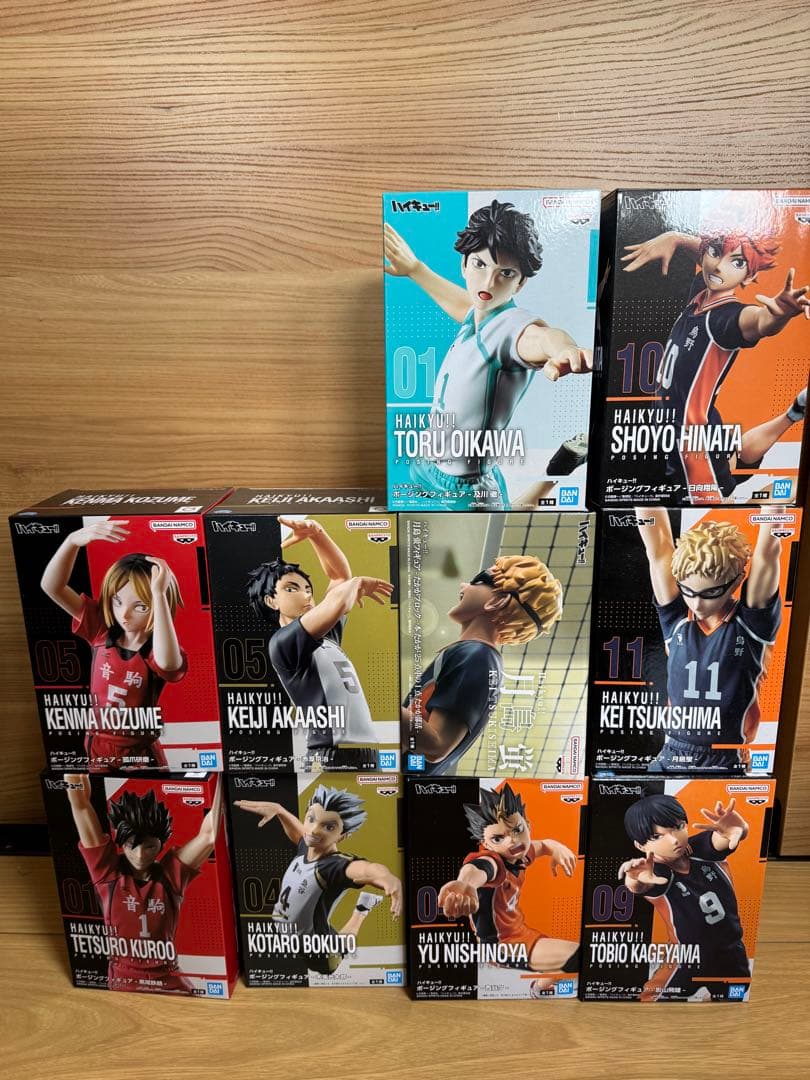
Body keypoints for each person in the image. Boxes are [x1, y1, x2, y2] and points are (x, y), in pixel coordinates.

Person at [384, 200, 593, 509]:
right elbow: (462, 304)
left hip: (466, 484)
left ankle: (558, 468)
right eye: (479, 265)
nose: (488, 283)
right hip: (427, 462)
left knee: (504, 533)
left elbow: (540, 338)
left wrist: (564, 349)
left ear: (520, 283)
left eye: (505, 273)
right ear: (464, 265)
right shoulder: (478, 315)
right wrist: (416, 269)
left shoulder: (511, 327)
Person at [622, 229, 809, 502]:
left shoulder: (725, 318)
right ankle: (794, 412)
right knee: (736, 460)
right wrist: (676, 237)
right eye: (715, 253)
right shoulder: (700, 294)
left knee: (719, 513)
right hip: (688, 424)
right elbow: (706, 251)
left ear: (749, 276)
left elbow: (758, 322)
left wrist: (778, 316)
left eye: (737, 262)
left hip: (694, 445)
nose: (719, 266)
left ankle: (786, 492)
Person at [635, 508, 782, 772]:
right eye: (687, 591)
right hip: (672, 753)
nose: (697, 603)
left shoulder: (751, 624)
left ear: (736, 582)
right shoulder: (677, 619)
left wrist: (781, 494)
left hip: (726, 758)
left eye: (710, 593)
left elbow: (768, 552)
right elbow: (657, 547)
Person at [248, 516, 393, 769]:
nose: (306, 595)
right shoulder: (283, 642)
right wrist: (357, 583)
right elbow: (342, 595)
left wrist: (317, 534)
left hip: (364, 750)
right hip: (329, 753)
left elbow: (340, 578)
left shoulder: (327, 636)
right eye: (291, 589)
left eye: (308, 589)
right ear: (271, 601)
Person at [41, 517, 185, 770]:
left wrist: (159, 594)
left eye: (140, 606)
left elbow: (169, 663)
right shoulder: (101, 629)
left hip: (140, 752)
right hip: (98, 745)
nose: (124, 614)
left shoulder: (158, 648)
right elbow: (52, 587)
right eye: (117, 601)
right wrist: (72, 541)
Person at [402, 555, 562, 775]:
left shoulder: (476, 656)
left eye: (478, 580)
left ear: (497, 601)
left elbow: (437, 744)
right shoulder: (476, 655)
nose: (463, 586)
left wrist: (379, 707)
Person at [64, 773, 222, 994]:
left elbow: (210, 835)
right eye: (131, 845)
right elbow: (80, 804)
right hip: (124, 980)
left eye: (149, 847)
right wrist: (71, 766)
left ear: (161, 844)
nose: (139, 855)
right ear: (121, 842)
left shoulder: (170, 875)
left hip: (170, 981)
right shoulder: (107, 872)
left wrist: (220, 773)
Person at [234, 784, 402, 975]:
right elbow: (300, 834)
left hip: (317, 949)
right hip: (295, 933)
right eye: (311, 819)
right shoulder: (307, 848)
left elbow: (365, 869)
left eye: (329, 827)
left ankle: (362, 909)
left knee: (338, 951)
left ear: (342, 836)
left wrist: (387, 877)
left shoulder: (333, 866)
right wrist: (280, 810)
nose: (314, 830)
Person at [438, 782, 579, 995]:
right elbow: (479, 868)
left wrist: (557, 847)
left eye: (518, 829)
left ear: (528, 825)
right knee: (577, 956)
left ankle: (540, 987)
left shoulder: (521, 854)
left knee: (570, 962)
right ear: (486, 844)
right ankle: (537, 989)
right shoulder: (494, 862)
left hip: (522, 933)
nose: (512, 841)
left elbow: (542, 845)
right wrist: (464, 884)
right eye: (498, 838)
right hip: (500, 946)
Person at [621, 793, 750, 1001]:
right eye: (657, 836)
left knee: (733, 1000)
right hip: (686, 957)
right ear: (641, 846)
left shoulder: (698, 848)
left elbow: (722, 839)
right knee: (650, 1003)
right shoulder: (657, 872)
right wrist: (633, 879)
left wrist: (741, 829)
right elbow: (641, 885)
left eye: (678, 826)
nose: (674, 839)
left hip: (731, 951)